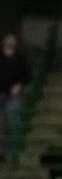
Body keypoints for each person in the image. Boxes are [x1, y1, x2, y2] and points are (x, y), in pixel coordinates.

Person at [0, 33, 31, 161]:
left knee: (12, 124)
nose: (10, 42)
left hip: (12, 97)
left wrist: (19, 85)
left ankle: (11, 153)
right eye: (7, 39)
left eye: (12, 40)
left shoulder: (20, 59)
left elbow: (27, 76)